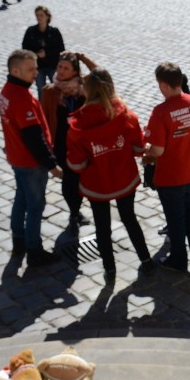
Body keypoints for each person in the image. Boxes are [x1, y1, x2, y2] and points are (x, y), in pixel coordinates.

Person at [66, 68, 154, 280]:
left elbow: (76, 164)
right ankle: (146, 260)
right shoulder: (127, 115)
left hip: (97, 184)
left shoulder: (77, 125)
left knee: (102, 226)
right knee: (130, 218)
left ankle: (109, 268)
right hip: (124, 178)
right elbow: (138, 148)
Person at [144, 62, 190, 274]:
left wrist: (146, 146)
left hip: (172, 176)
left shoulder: (161, 112)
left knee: (175, 220)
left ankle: (178, 259)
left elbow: (157, 150)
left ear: (165, 85)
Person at [0, 49, 63, 267]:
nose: (36, 73)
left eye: (36, 68)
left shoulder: (7, 91)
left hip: (16, 158)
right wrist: (52, 165)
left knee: (21, 200)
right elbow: (34, 138)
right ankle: (34, 250)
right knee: (35, 206)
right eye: (30, 69)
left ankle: (19, 241)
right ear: (15, 70)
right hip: (30, 163)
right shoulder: (22, 98)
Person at [41, 51, 97, 233]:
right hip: (61, 144)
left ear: (75, 71)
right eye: (59, 67)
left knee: (81, 178)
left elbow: (99, 74)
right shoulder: (50, 91)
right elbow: (44, 119)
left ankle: (76, 210)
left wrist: (82, 57)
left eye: (66, 68)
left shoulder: (84, 88)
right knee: (69, 180)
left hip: (83, 143)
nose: (61, 71)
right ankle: (74, 212)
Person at [21, 6, 66, 97]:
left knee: (58, 88)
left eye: (41, 15)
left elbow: (61, 49)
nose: (39, 18)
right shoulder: (31, 31)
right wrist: (36, 54)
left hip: (52, 65)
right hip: (38, 67)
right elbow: (25, 48)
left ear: (47, 16)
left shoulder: (54, 32)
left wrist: (47, 53)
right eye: (37, 15)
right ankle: (42, 109)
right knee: (41, 89)